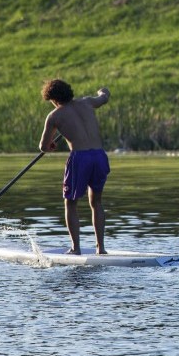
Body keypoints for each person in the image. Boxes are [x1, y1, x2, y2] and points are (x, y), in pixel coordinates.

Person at [39, 79, 111, 255]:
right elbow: (103, 98)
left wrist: (50, 146)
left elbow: (43, 146)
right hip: (100, 156)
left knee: (70, 203)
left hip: (80, 159)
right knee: (96, 202)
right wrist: (104, 91)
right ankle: (100, 248)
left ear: (53, 99)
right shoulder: (87, 102)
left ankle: (75, 248)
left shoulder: (55, 116)